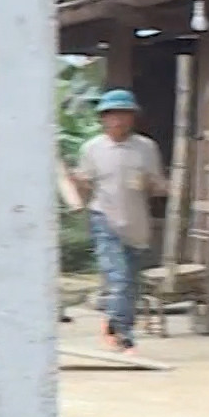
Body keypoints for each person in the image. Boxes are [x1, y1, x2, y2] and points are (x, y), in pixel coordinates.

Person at [69, 88, 166, 352]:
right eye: (112, 115)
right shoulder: (92, 149)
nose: (119, 120)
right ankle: (121, 333)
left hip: (136, 225)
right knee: (119, 278)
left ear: (133, 118)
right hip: (105, 220)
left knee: (130, 284)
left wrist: (152, 184)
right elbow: (85, 185)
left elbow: (160, 186)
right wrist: (76, 185)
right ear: (103, 119)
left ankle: (118, 325)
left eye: (124, 114)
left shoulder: (146, 148)